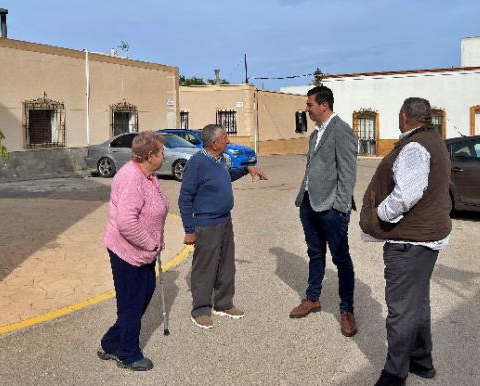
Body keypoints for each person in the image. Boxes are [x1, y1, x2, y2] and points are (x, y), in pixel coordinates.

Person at [360, 97, 452, 386]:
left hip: (410, 242)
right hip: (426, 239)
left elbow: (406, 195)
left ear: (403, 118)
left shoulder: (414, 147)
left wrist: (380, 214)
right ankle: (421, 361)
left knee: (400, 308)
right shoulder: (433, 140)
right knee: (417, 303)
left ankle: (395, 373)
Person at [179, 124, 268, 330]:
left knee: (226, 265)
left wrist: (246, 169)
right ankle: (200, 309)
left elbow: (228, 175)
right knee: (205, 268)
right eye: (225, 138)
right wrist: (189, 230)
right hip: (206, 224)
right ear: (214, 142)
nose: (228, 141)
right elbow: (185, 198)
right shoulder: (197, 163)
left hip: (225, 220)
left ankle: (223, 303)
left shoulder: (220, 160)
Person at [98, 131, 169, 371]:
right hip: (127, 252)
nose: (164, 155)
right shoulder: (131, 178)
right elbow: (126, 223)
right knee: (131, 304)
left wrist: (155, 241)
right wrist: (150, 243)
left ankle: (110, 343)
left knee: (140, 298)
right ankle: (127, 354)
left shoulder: (149, 175)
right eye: (161, 152)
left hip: (144, 253)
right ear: (150, 155)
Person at [290, 85, 359, 337]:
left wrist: (340, 208)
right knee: (315, 254)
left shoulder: (342, 131)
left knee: (341, 259)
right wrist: (304, 200)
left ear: (323, 105)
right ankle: (313, 298)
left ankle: (346, 310)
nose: (306, 109)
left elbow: (348, 174)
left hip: (332, 208)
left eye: (309, 105)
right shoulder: (315, 134)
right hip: (309, 204)